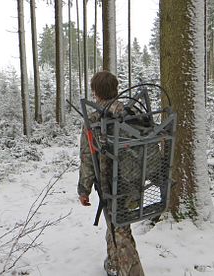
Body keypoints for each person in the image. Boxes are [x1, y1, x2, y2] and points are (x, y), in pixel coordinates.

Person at [78, 71, 145, 276]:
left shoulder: (94, 118)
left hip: (111, 185)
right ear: (115, 89)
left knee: (120, 229)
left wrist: (84, 189)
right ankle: (114, 266)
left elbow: (87, 156)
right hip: (135, 181)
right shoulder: (131, 112)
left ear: (96, 92)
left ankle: (132, 272)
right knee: (117, 223)